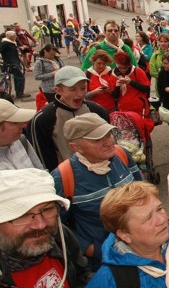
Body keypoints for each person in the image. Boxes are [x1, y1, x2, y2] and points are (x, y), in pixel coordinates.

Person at [53, 113, 142, 270]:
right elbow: (57, 227)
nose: (108, 142)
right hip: (103, 264)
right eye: (97, 139)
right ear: (75, 147)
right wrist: (92, 249)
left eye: (109, 134)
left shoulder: (122, 154)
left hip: (143, 248)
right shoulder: (63, 177)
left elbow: (143, 192)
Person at [28, 66, 110, 171]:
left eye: (83, 88)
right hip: (66, 178)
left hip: (101, 172)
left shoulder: (97, 111)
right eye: (72, 89)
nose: (80, 94)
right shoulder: (43, 119)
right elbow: (41, 160)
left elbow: (109, 144)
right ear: (58, 90)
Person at [111, 50, 151, 116]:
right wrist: (117, 86)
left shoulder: (137, 71)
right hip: (123, 109)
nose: (123, 70)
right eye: (120, 68)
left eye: (125, 68)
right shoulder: (113, 74)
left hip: (140, 109)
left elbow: (146, 88)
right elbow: (114, 96)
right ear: (116, 64)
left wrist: (131, 82)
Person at [0, 30, 28, 99]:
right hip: (11, 64)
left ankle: (14, 92)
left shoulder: (12, 43)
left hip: (14, 63)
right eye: (14, 36)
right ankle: (20, 93)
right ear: (11, 37)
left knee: (15, 78)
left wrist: (20, 48)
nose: (16, 37)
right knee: (20, 77)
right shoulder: (5, 43)